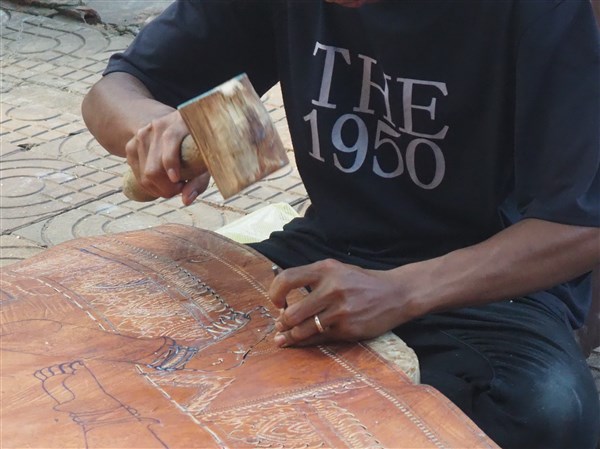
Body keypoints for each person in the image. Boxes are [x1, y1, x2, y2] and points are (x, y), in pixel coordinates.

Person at [82, 1, 600, 447]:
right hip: (330, 248)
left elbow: (580, 225)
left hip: (491, 282)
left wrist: (402, 291)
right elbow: (112, 91)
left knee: (547, 413)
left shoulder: (541, 9)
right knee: (138, 344)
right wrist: (154, 130)